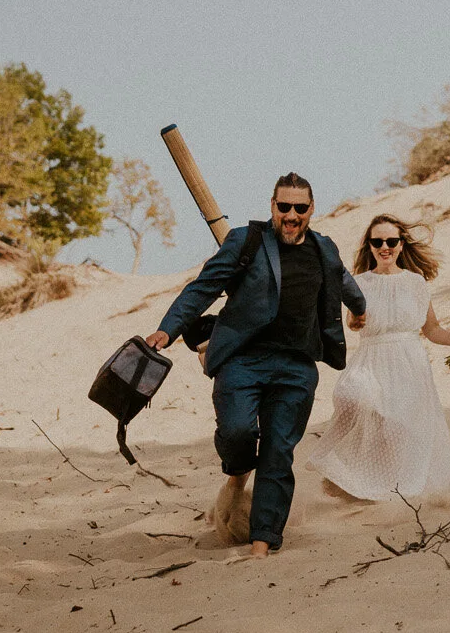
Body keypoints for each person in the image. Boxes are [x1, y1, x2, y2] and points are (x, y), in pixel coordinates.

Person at [146, 174, 368, 557]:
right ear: (272, 206)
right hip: (243, 361)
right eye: (285, 207)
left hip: (297, 367)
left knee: (278, 453)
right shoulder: (246, 240)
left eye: (301, 208)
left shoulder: (324, 248)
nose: (292, 215)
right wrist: (166, 331)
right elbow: (203, 287)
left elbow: (343, 282)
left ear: (312, 209)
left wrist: (360, 309)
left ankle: (262, 545)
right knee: (237, 432)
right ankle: (235, 474)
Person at [308, 214, 450, 501]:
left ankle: (384, 492)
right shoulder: (359, 283)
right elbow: (353, 322)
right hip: (371, 359)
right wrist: (356, 321)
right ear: (369, 246)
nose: (385, 247)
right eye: (377, 241)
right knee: (354, 399)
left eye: (391, 241)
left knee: (397, 428)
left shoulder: (416, 283)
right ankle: (343, 474)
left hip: (409, 365)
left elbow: (431, 329)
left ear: (401, 245)